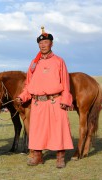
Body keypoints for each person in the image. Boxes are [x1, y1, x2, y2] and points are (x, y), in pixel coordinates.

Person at [16, 27, 74, 168]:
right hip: (38, 103)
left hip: (55, 100)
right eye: (40, 43)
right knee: (37, 131)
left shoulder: (59, 61)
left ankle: (60, 157)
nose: (43, 45)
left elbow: (65, 83)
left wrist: (65, 100)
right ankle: (37, 156)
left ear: (51, 44)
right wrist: (22, 97)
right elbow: (28, 84)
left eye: (46, 42)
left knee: (58, 129)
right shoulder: (34, 63)